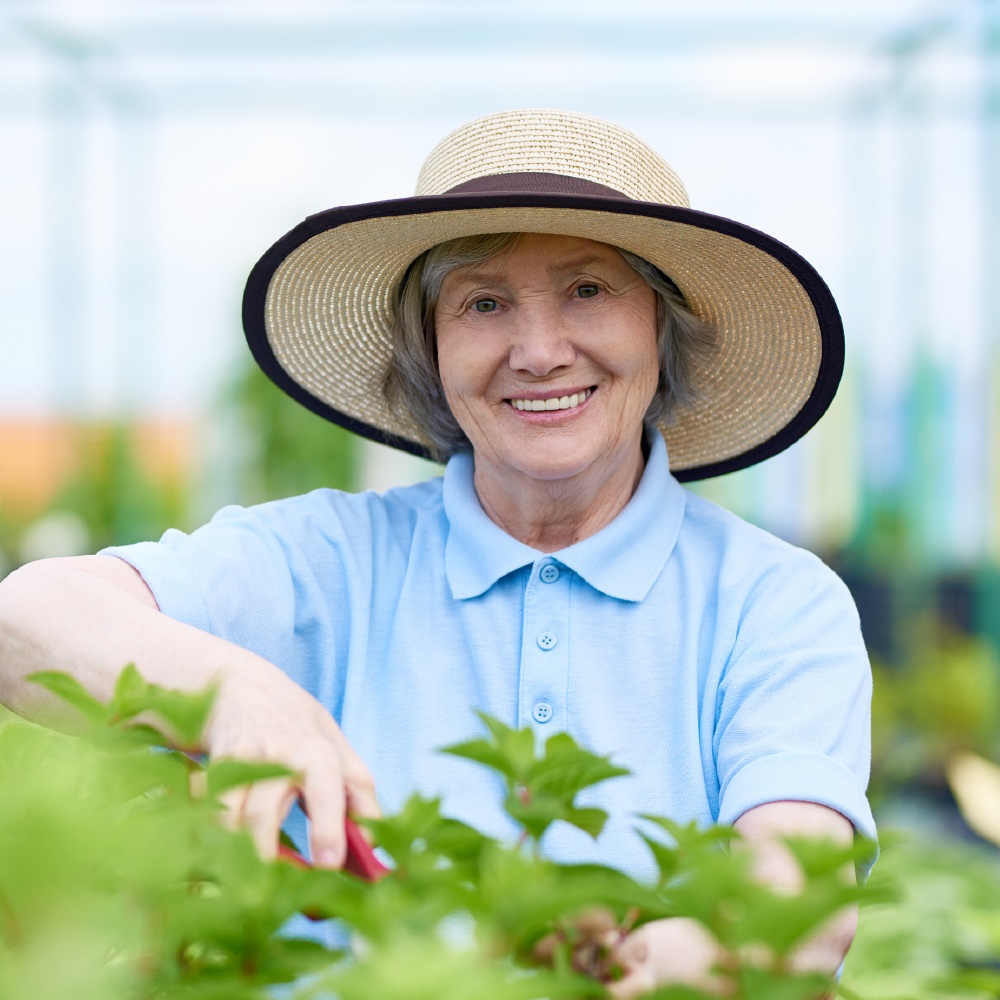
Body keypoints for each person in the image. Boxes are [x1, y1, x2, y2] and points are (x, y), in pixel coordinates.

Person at [0, 109, 875, 996]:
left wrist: (615, 966)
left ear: (660, 327)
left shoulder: (775, 601)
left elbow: (797, 904)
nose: (538, 353)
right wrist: (231, 695)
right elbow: (25, 618)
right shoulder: (331, 561)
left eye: (588, 291)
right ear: (431, 347)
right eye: (484, 303)